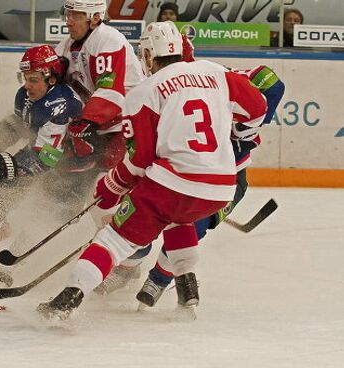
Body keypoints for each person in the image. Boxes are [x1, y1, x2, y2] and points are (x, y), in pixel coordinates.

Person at [37, 21, 267, 320]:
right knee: (178, 219)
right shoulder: (215, 72)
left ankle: (66, 302)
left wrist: (111, 186)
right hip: (221, 187)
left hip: (173, 184)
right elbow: (258, 106)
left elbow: (140, 161)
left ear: (147, 55)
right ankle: (188, 293)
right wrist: (238, 132)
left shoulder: (144, 91)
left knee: (113, 239)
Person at [134, 38, 286, 308]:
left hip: (224, 176)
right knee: (141, 217)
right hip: (177, 171)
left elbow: (270, 79)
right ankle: (125, 270)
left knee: (195, 225)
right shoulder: (155, 88)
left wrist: (246, 130)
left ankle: (159, 278)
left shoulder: (217, 77)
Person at [0, 45, 86, 284]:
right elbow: (29, 127)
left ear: (50, 78)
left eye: (34, 80)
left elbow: (47, 158)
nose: (27, 85)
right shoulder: (26, 95)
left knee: (45, 217)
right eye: (25, 78)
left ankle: (12, 268)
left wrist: (8, 165)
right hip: (44, 157)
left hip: (73, 170)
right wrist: (7, 132)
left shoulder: (61, 105)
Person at [56, 0, 143, 171]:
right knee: (62, 175)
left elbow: (111, 91)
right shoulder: (67, 45)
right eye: (68, 14)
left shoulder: (109, 39)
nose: (68, 21)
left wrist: (86, 122)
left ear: (95, 18)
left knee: (111, 174)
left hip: (127, 124)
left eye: (75, 15)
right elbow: (47, 81)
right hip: (96, 124)